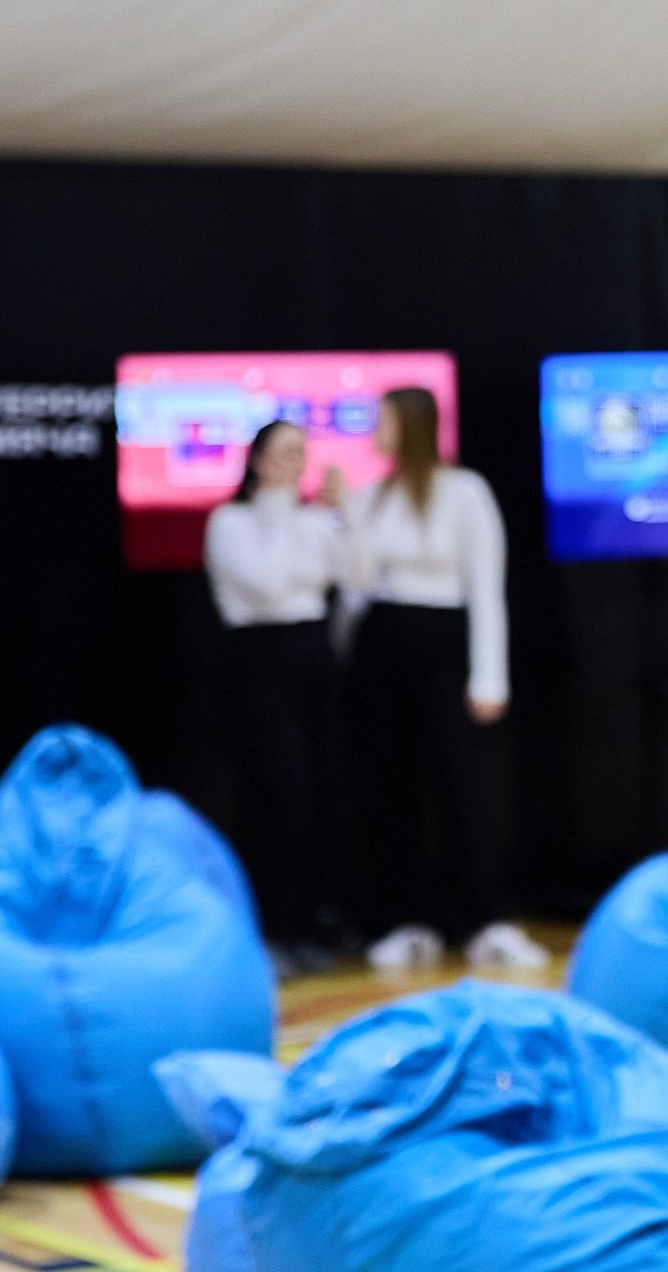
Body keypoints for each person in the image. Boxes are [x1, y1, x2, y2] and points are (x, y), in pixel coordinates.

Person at [343, 386, 547, 972]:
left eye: (384, 421)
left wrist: (490, 678)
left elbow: (486, 587)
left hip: (445, 647)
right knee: (391, 788)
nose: (376, 431)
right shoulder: (370, 497)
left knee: (464, 787)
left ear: (412, 425)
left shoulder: (464, 492)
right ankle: (409, 921)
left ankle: (483, 920)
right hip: (382, 649)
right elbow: (356, 584)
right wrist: (348, 520)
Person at [202, 418, 349, 973]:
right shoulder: (230, 520)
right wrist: (296, 529)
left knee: (319, 794)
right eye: (284, 453)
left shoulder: (314, 519)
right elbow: (266, 583)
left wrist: (338, 518)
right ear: (258, 460)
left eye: (302, 453)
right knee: (277, 794)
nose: (295, 463)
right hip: (260, 661)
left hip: (314, 657)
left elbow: (351, 575)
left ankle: (309, 924)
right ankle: (268, 931)